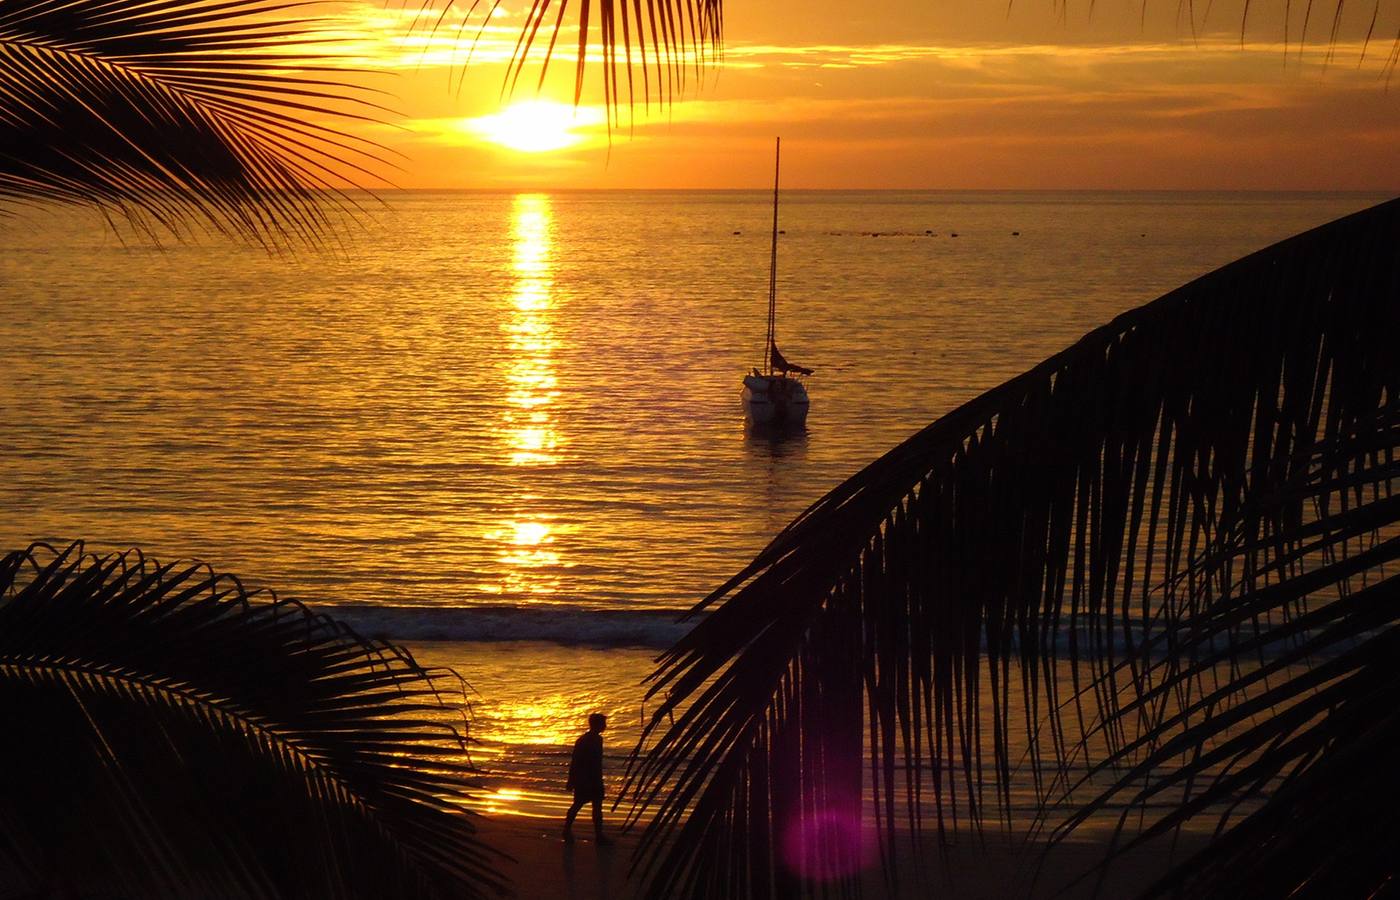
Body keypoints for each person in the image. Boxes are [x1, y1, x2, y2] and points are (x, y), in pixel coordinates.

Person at [563, 713, 610, 844]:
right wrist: (571, 780)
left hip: (595, 778)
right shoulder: (584, 740)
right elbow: (576, 761)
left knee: (597, 806)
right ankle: (566, 830)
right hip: (584, 779)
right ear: (597, 725)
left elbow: (597, 762)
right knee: (578, 804)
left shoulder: (598, 740)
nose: (605, 726)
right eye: (603, 724)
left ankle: (599, 835)